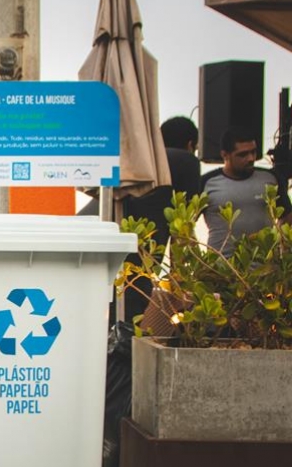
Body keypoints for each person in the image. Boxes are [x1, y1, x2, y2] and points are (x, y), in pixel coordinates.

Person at [120, 116, 203, 320]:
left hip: (109, 227)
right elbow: (182, 224)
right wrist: (180, 278)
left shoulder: (140, 158)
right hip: (141, 245)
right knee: (134, 300)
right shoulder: (187, 161)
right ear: (190, 144)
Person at [201, 126, 292, 255]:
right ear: (225, 155)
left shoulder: (271, 178)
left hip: (265, 269)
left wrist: (282, 252)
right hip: (220, 268)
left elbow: (287, 218)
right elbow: (184, 225)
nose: (250, 158)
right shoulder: (207, 182)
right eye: (242, 154)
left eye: (253, 152)